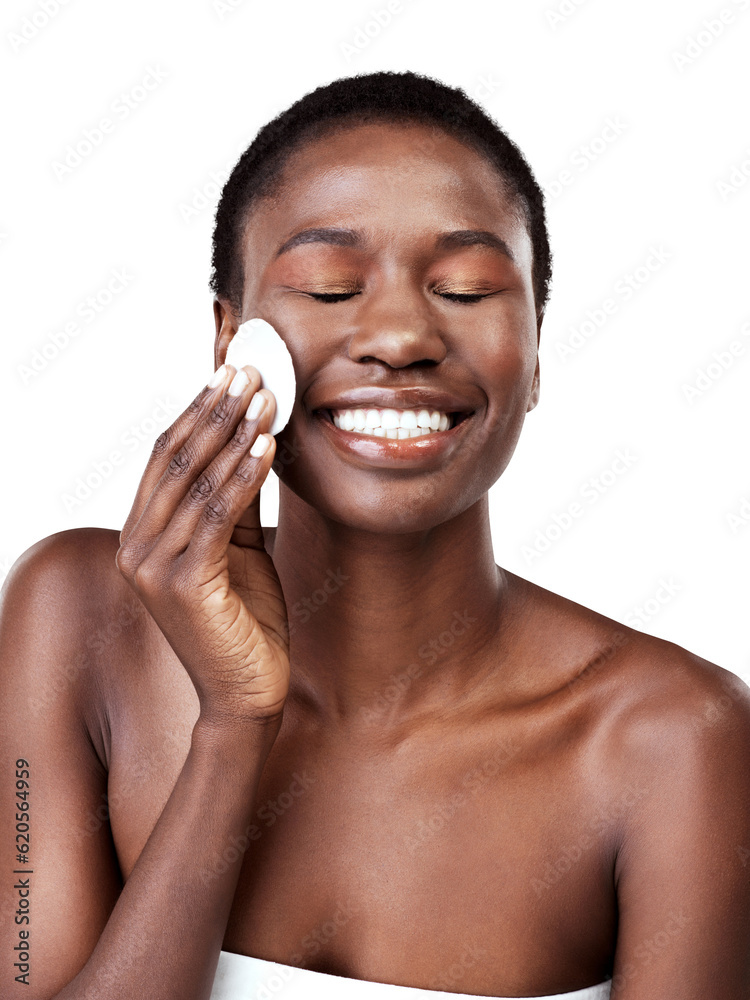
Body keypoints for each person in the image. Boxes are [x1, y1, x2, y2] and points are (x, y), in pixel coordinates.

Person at [1, 69, 749, 1000]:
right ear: (232, 338)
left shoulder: (675, 740)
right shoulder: (77, 616)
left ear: (538, 349)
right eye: (327, 285)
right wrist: (233, 730)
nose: (400, 335)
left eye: (468, 289)